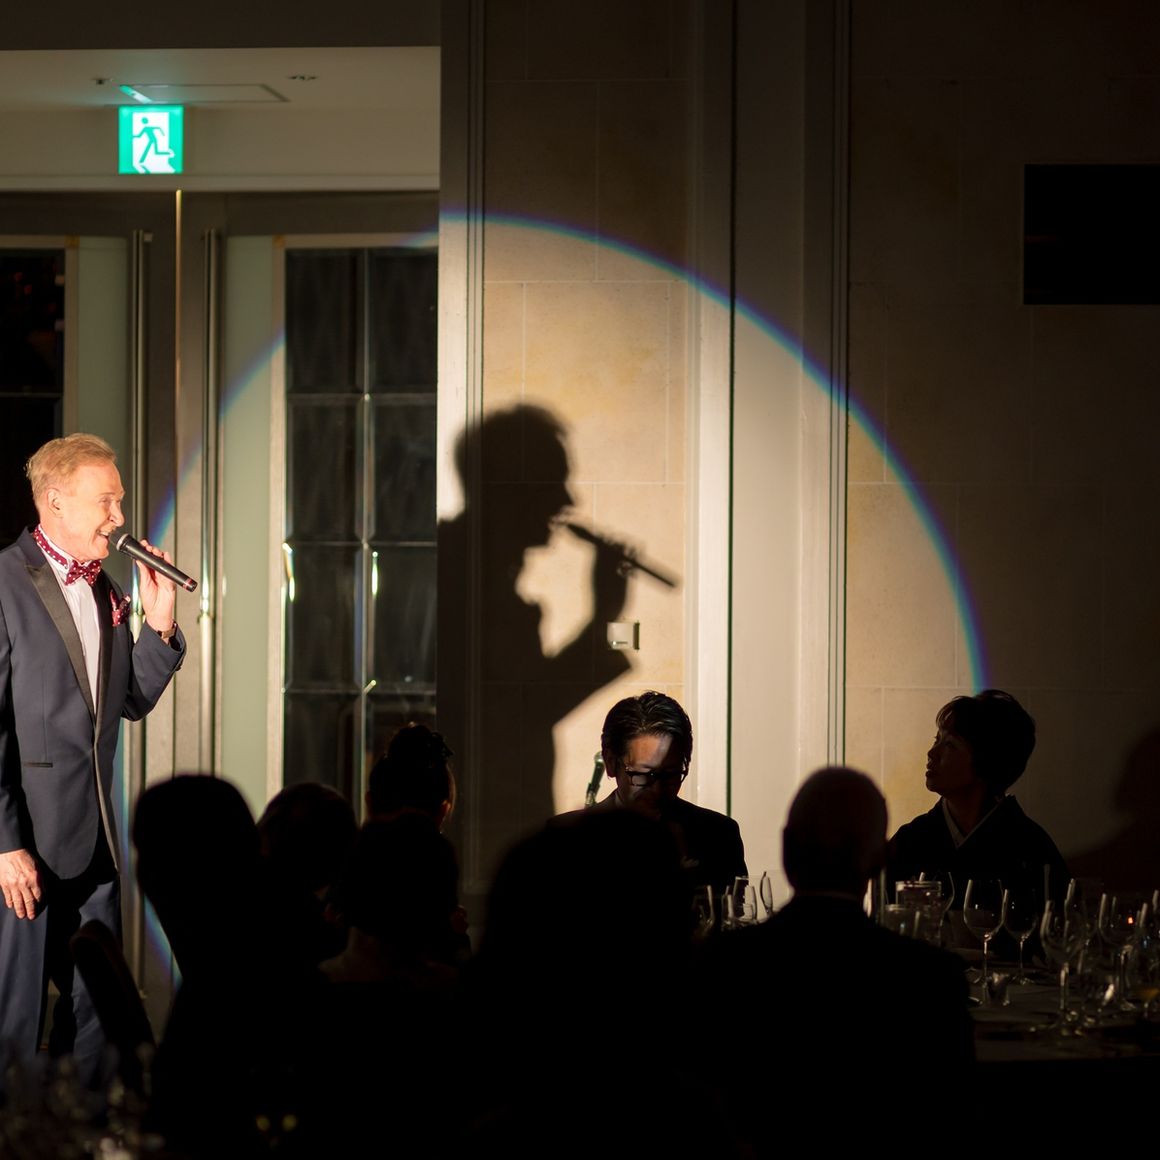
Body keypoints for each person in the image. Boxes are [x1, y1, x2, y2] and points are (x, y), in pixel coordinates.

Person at [0, 433, 185, 1083]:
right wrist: (4, 842)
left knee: (97, 1014)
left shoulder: (107, 590)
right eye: (106, 501)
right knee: (15, 1020)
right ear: (55, 501)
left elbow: (127, 701)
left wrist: (159, 625)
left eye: (121, 501)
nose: (120, 516)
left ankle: (91, 1125)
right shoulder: (4, 581)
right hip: (21, 850)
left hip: (94, 839)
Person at [699, 767, 973, 1149]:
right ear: (882, 860)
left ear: (786, 849)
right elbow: (953, 1122)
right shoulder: (932, 977)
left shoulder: (719, 964)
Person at [886, 689, 1069, 914]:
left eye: (950, 745)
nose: (932, 753)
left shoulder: (1031, 850)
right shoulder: (910, 841)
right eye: (937, 740)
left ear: (987, 762)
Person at [587, 690, 747, 893]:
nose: (657, 790)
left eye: (670, 775)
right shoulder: (566, 841)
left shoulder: (718, 835)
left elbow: (734, 910)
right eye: (643, 775)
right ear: (610, 763)